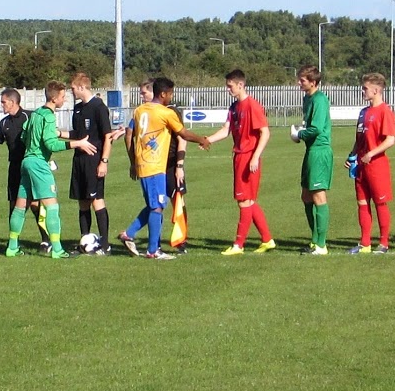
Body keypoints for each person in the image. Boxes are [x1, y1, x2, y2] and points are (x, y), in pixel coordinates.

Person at [119, 77, 209, 259]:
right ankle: (152, 250)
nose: (171, 97)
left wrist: (133, 162)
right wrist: (202, 139)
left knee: (156, 205)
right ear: (163, 94)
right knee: (157, 207)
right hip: (154, 166)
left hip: (143, 164)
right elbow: (182, 133)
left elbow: (130, 135)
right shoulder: (165, 113)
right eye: (170, 94)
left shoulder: (139, 110)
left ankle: (129, 234)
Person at [9, 82, 97, 258]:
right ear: (54, 98)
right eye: (63, 96)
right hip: (39, 164)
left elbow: (24, 135)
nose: (65, 99)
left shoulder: (35, 114)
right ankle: (57, 250)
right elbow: (51, 143)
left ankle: (11, 247)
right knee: (52, 207)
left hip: (26, 162)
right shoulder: (48, 116)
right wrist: (77, 143)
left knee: (20, 206)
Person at [205, 69, 277, 255]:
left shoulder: (252, 105)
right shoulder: (234, 107)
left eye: (230, 86)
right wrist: (207, 140)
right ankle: (267, 240)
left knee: (244, 201)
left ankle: (239, 245)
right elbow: (226, 129)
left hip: (248, 157)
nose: (228, 89)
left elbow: (265, 132)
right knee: (249, 201)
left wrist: (254, 156)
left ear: (240, 85)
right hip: (239, 156)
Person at [0, 89, 54, 249]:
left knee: (34, 204)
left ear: (12, 102)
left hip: (30, 165)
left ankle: (46, 239)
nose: (2, 105)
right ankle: (14, 242)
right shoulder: (4, 123)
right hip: (14, 168)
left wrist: (46, 159)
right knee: (13, 205)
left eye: (3, 102)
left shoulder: (30, 117)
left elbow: (43, 138)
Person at [346, 73, 395, 254]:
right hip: (361, 164)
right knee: (362, 202)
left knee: (380, 203)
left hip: (377, 165)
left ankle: (383, 243)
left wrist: (371, 153)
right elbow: (359, 138)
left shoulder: (385, 111)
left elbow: (390, 140)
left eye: (365, 88)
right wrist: (352, 155)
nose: (362, 91)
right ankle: (365, 243)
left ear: (376, 90)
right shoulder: (363, 112)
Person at [67, 72, 116, 254]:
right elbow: (76, 134)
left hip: (94, 160)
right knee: (82, 202)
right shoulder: (78, 108)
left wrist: (104, 161)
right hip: (78, 160)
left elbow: (107, 136)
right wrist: (57, 133)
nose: (71, 91)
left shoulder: (98, 107)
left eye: (73, 88)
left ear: (81, 87)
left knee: (97, 200)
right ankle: (85, 241)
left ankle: (105, 244)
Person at [294, 65, 333, 255]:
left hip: (320, 151)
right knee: (306, 196)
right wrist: (301, 131)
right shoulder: (306, 98)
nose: (299, 83)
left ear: (313, 82)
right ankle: (314, 240)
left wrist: (299, 134)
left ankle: (321, 245)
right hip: (310, 151)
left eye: (302, 80)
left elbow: (316, 128)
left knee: (318, 195)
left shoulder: (320, 99)